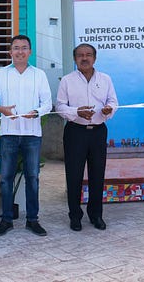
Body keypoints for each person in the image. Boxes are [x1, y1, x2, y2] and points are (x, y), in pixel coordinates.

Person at [0, 35, 52, 237]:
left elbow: (47, 103)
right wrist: (0, 109)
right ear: (10, 52)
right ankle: (6, 220)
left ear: (30, 51)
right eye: (16, 48)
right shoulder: (1, 74)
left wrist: (37, 112)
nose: (20, 51)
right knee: (5, 179)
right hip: (9, 134)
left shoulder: (39, 75)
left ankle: (32, 220)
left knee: (33, 178)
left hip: (32, 134)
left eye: (24, 48)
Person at [56, 43, 118, 232]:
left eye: (88, 54)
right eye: (80, 55)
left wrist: (108, 110)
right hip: (75, 131)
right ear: (75, 59)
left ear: (94, 58)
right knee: (74, 175)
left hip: (98, 131)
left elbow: (113, 101)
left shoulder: (105, 79)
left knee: (97, 174)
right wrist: (77, 112)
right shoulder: (67, 80)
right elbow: (60, 106)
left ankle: (96, 215)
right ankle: (75, 216)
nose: (84, 58)